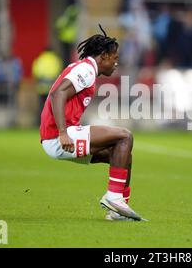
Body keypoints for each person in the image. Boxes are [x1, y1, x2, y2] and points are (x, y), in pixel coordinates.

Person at [39, 25, 144, 221]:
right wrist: (63, 132)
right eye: (114, 59)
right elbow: (57, 94)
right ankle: (113, 198)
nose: (115, 64)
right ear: (103, 56)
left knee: (123, 155)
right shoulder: (86, 70)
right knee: (125, 135)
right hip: (59, 137)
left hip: (58, 138)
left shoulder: (84, 68)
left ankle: (118, 209)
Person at [32, 47, 62, 125]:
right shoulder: (55, 60)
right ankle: (51, 123)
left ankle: (40, 122)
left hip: (41, 88)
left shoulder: (39, 59)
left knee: (42, 106)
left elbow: (35, 73)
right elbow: (59, 74)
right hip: (52, 89)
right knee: (52, 107)